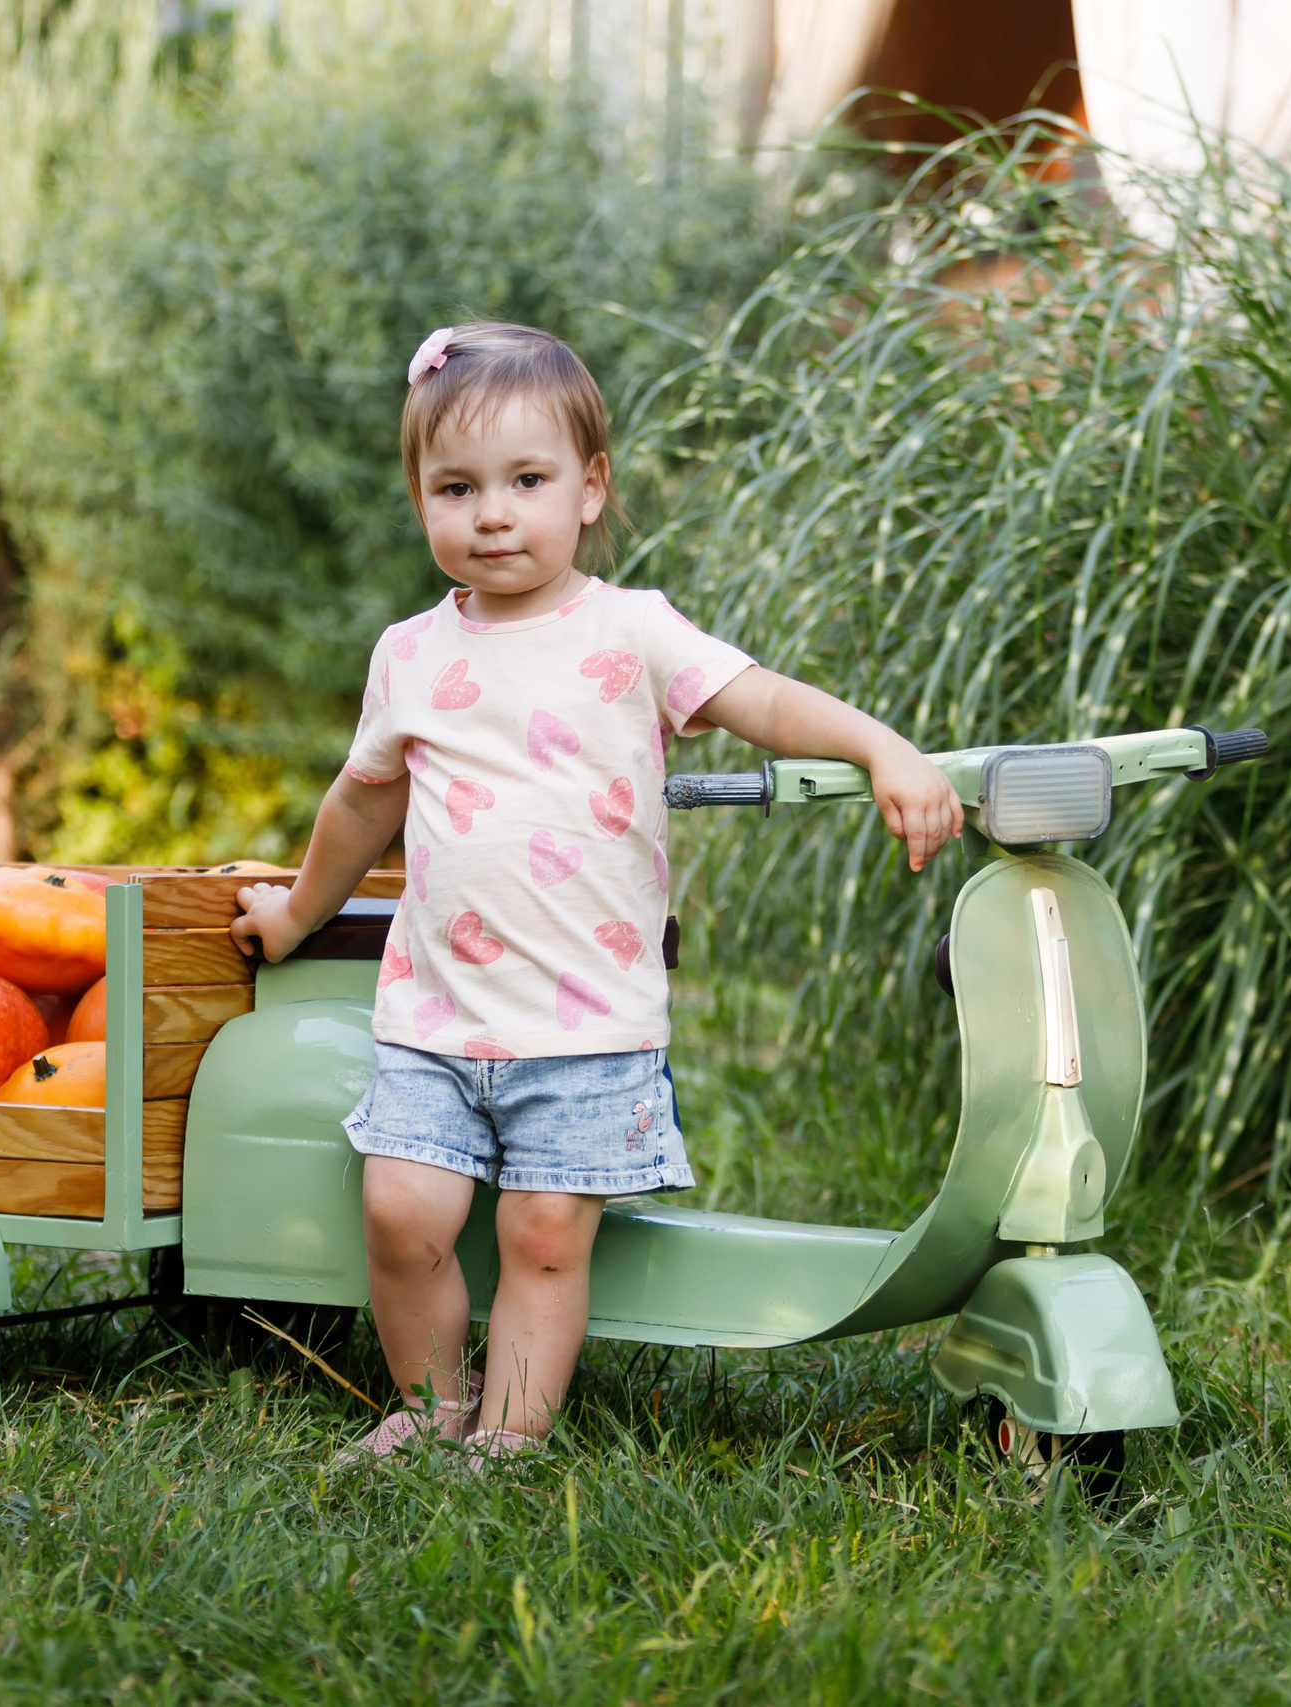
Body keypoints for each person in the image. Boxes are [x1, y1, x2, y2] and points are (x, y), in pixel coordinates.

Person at [229, 321, 963, 1464]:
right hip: (435, 1020)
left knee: (543, 1236)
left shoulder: (631, 630)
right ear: (419, 499)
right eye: (456, 488)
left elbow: (763, 701)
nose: (491, 514)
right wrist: (291, 914)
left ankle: (509, 1434)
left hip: (586, 1029)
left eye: (526, 481)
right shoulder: (409, 655)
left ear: (590, 487)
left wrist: (883, 749)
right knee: (400, 1215)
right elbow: (359, 808)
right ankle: (428, 1407)